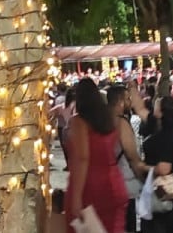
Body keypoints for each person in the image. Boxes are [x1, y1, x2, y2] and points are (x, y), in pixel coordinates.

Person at [64, 78, 126, 233]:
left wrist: (76, 197)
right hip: (114, 181)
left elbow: (82, 157)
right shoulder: (108, 119)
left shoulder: (78, 122)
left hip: (90, 186)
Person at [143, 96, 173, 233]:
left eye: (156, 104)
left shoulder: (164, 137)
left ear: (162, 112)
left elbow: (164, 168)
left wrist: (141, 166)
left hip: (163, 193)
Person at [108, 85, 149, 232]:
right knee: (127, 226)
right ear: (120, 101)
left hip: (108, 182)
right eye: (127, 99)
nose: (129, 102)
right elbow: (131, 155)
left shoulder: (102, 121)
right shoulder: (121, 122)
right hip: (125, 184)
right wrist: (144, 178)